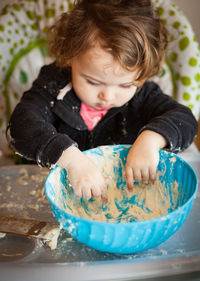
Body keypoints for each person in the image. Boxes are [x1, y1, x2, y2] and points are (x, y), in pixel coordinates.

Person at [7, 0, 198, 201]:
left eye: (125, 85)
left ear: (143, 75)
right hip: (56, 195)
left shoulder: (144, 96)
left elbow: (185, 120)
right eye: (93, 81)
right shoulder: (53, 84)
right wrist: (70, 159)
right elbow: (20, 126)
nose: (107, 96)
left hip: (124, 194)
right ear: (70, 56)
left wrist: (150, 140)